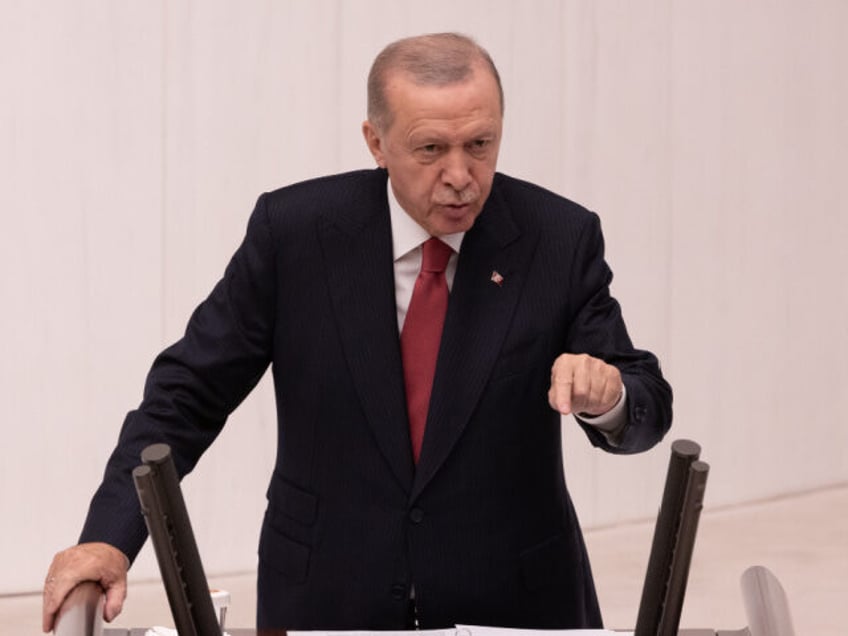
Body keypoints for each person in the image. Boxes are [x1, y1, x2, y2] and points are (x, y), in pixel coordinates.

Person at [43, 32, 672, 632]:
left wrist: (610, 397)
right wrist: (109, 535)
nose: (460, 174)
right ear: (376, 142)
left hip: (515, 601)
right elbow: (187, 393)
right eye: (431, 149)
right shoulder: (294, 235)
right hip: (328, 595)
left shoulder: (558, 238)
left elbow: (645, 403)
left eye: (480, 144)